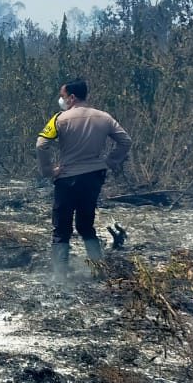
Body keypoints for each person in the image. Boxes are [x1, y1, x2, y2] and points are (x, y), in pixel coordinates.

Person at [36, 79, 131, 276]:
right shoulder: (104, 117)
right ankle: (98, 269)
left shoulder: (59, 119)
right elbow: (125, 141)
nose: (61, 100)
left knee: (61, 229)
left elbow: (41, 144)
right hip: (93, 178)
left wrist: (48, 170)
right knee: (86, 225)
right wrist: (111, 161)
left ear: (71, 97)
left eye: (62, 96)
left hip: (67, 177)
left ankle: (60, 275)